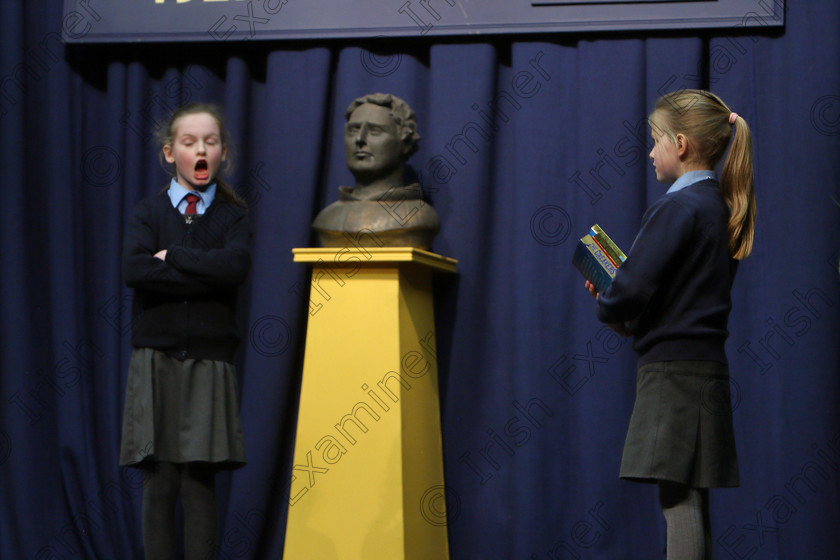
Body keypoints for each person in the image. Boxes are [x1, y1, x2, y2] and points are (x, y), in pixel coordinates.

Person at [585, 89, 755, 559]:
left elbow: (634, 289)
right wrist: (623, 310)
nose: (651, 151)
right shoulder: (717, 208)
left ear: (680, 144)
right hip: (703, 369)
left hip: (673, 375)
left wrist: (610, 297)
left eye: (656, 140)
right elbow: (677, 302)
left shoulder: (677, 208)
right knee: (689, 497)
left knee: (677, 499)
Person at [120, 102, 251, 560]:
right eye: (189, 141)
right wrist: (202, 273)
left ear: (222, 153)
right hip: (155, 357)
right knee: (161, 479)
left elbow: (233, 267)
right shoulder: (148, 212)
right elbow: (135, 269)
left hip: (209, 360)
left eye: (210, 142)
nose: (201, 150)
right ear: (169, 152)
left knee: (199, 480)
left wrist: (172, 256)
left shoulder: (232, 218)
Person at [312, 93, 440, 249]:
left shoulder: (417, 217)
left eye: (375, 131)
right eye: (353, 130)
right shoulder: (327, 218)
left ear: (405, 142)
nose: (359, 139)